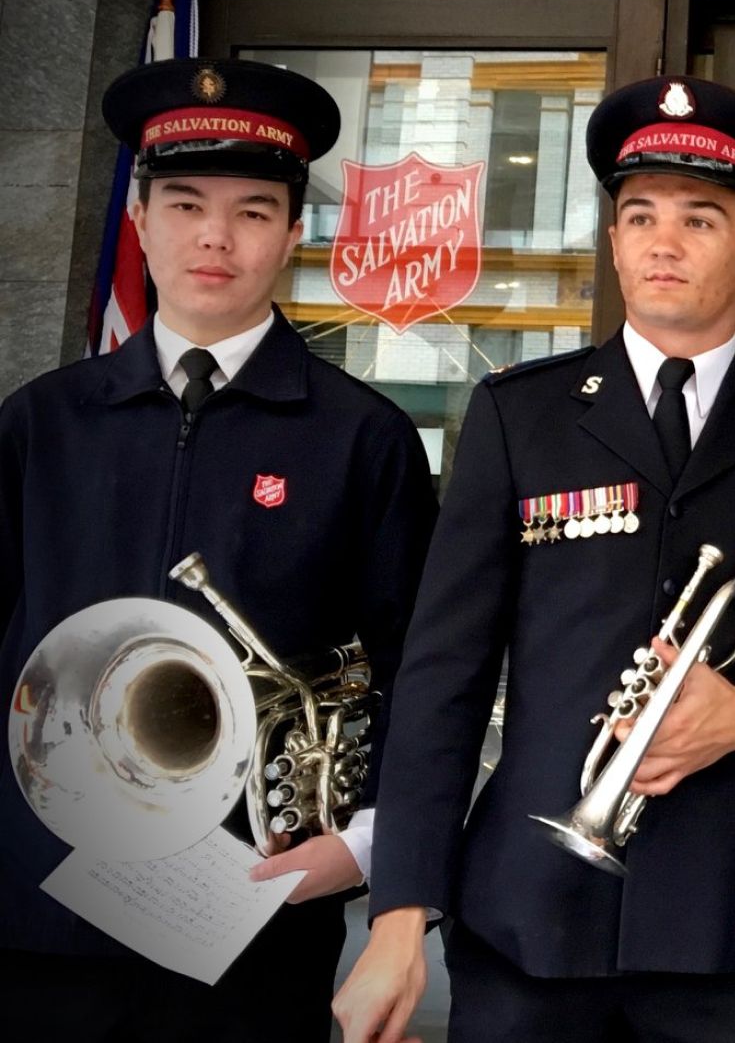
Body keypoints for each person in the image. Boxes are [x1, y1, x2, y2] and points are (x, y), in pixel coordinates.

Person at [332, 76, 735, 1043]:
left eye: (701, 219)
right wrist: (399, 914)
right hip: (530, 913)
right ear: (613, 241)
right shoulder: (517, 415)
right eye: (640, 215)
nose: (663, 241)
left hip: (733, 924)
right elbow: (443, 675)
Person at [0, 58, 438, 1042]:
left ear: (290, 232)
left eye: (250, 210)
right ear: (140, 219)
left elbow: (418, 675)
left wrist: (363, 849)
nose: (214, 235)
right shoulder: (42, 425)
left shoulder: (361, 438)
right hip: (39, 921)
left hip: (249, 924)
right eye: (186, 202)